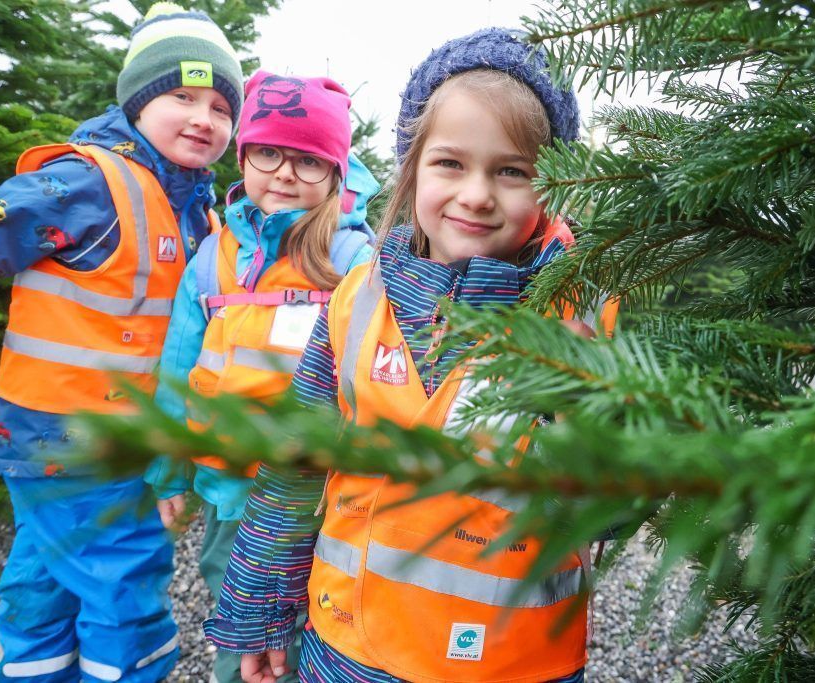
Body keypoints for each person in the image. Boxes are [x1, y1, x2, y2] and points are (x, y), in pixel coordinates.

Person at [204, 28, 617, 683]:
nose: (477, 194)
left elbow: (619, 504)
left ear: (551, 185)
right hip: (347, 647)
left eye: (511, 171)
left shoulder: (584, 317)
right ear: (413, 169)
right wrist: (262, 610)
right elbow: (294, 467)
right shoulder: (357, 299)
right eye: (450, 163)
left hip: (513, 662)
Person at [0, 3, 243, 680]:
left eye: (221, 107)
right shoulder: (87, 181)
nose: (204, 118)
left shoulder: (199, 212)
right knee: (124, 587)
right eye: (182, 97)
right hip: (75, 438)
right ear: (137, 101)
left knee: (43, 586)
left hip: (97, 440)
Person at [144, 69, 379, 683]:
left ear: (335, 172)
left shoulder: (352, 258)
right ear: (244, 156)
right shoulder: (213, 256)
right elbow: (178, 368)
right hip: (229, 488)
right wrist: (168, 468)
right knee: (240, 620)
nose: (284, 174)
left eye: (308, 160)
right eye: (268, 153)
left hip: (316, 497)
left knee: (320, 623)